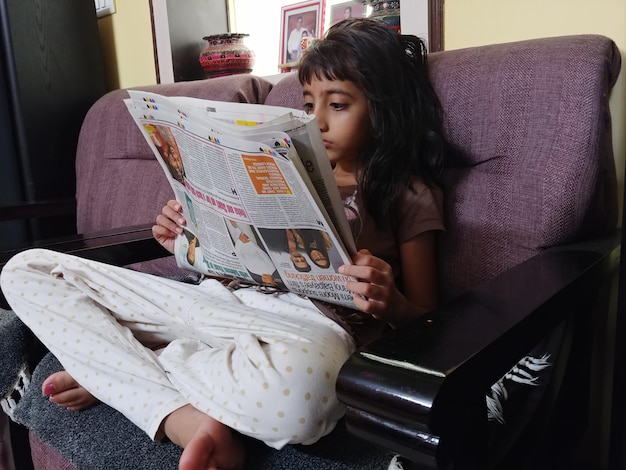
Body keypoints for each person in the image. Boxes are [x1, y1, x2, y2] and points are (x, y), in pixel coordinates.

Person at [0, 18, 445, 470]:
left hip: (302, 332)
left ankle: (124, 368)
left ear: (383, 108)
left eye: (338, 104)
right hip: (210, 301)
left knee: (303, 397)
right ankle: (177, 413)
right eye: (310, 103)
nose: (319, 120)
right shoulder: (281, 162)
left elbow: (430, 320)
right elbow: (228, 254)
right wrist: (184, 233)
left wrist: (390, 303)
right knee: (26, 270)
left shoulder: (406, 193)